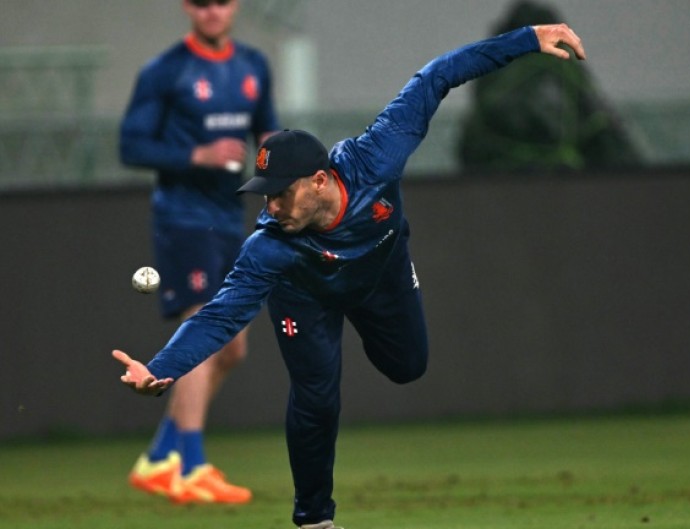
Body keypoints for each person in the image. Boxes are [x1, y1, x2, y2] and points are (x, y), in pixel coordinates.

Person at [113, 22, 586, 529]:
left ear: (320, 181)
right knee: (317, 399)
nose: (271, 206)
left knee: (408, 365)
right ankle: (314, 519)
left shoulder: (376, 157)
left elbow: (436, 77)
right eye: (265, 194)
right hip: (305, 296)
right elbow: (220, 316)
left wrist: (526, 39)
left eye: (281, 193)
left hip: (380, 274)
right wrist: (161, 368)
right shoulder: (270, 246)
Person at [118, 0, 280, 505]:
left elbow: (267, 130)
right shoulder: (166, 71)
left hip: (230, 217)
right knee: (202, 327)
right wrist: (197, 155)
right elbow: (131, 145)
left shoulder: (252, 65)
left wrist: (278, 159)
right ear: (188, 8)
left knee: (231, 348)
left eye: (222, 1)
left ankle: (160, 457)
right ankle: (190, 466)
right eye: (201, 2)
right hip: (182, 216)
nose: (212, 11)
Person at [457, 0, 637, 172]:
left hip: (504, 187)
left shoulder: (500, 75)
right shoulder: (563, 71)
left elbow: (470, 147)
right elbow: (610, 143)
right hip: (568, 185)